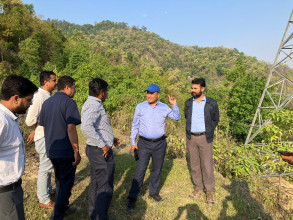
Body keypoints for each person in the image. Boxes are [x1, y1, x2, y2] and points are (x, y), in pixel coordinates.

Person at [127, 84, 181, 211]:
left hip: (160, 144)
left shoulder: (164, 107)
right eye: (147, 93)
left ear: (158, 94)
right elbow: (135, 125)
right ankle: (132, 198)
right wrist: (132, 142)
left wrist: (174, 104)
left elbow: (177, 117)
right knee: (140, 170)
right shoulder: (140, 107)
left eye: (151, 93)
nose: (148, 95)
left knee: (157, 169)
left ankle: (153, 193)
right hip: (143, 144)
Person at [39, 76, 81, 220]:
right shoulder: (69, 103)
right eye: (74, 88)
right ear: (68, 87)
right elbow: (71, 128)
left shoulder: (47, 103)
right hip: (65, 151)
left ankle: (64, 207)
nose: (75, 91)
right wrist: (76, 150)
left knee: (59, 180)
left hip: (51, 149)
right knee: (65, 185)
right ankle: (57, 216)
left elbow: (44, 127)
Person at [81, 78, 121, 220]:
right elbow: (86, 127)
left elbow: (98, 126)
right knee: (104, 186)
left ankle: (95, 214)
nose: (107, 94)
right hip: (100, 151)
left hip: (97, 149)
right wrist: (103, 144)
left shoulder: (93, 103)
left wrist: (111, 138)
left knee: (97, 183)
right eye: (106, 91)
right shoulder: (94, 105)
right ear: (102, 92)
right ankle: (100, 216)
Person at [0, 75, 38, 219]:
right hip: (5, 193)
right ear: (16, 98)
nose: (30, 104)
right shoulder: (2, 121)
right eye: (28, 100)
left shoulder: (9, 117)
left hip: (11, 190)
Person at [184, 78, 219, 205]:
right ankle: (198, 188)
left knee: (207, 165)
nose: (192, 90)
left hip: (205, 138)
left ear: (202, 89)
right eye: (192, 88)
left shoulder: (211, 103)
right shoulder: (188, 103)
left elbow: (216, 119)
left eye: (195, 88)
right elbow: (187, 117)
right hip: (191, 137)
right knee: (194, 165)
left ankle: (209, 191)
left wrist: (208, 131)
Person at [25, 71, 57, 209]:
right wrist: (37, 130)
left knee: (48, 165)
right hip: (43, 137)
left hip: (47, 136)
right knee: (45, 167)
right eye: (54, 80)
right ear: (46, 82)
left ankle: (48, 190)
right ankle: (43, 198)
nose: (56, 83)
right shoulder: (39, 97)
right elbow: (30, 119)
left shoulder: (47, 96)